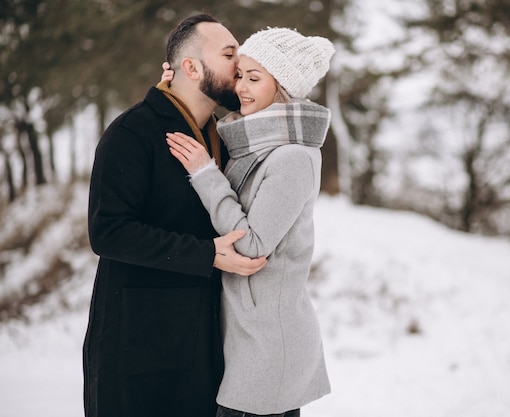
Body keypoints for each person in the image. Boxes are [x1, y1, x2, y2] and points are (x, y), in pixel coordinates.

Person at [83, 14, 267, 417]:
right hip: (138, 353)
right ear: (190, 67)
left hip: (205, 348)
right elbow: (108, 231)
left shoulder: (226, 137)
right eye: (229, 53)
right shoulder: (132, 133)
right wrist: (206, 254)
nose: (241, 63)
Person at [164, 27, 335, 417]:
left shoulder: (293, 157)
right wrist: (173, 87)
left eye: (254, 78)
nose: (240, 86)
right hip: (243, 335)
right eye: (240, 74)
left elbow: (251, 244)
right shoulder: (248, 142)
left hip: (268, 344)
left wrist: (205, 174)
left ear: (283, 87)